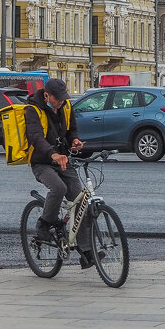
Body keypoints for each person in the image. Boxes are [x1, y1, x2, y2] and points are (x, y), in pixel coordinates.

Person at [23, 78, 94, 269]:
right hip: (42, 162)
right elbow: (36, 137)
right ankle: (44, 224)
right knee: (58, 188)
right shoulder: (33, 110)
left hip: (63, 159)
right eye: (58, 99)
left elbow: (71, 130)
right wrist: (53, 154)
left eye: (64, 98)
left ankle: (87, 252)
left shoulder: (66, 106)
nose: (61, 102)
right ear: (47, 95)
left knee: (80, 200)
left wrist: (76, 140)